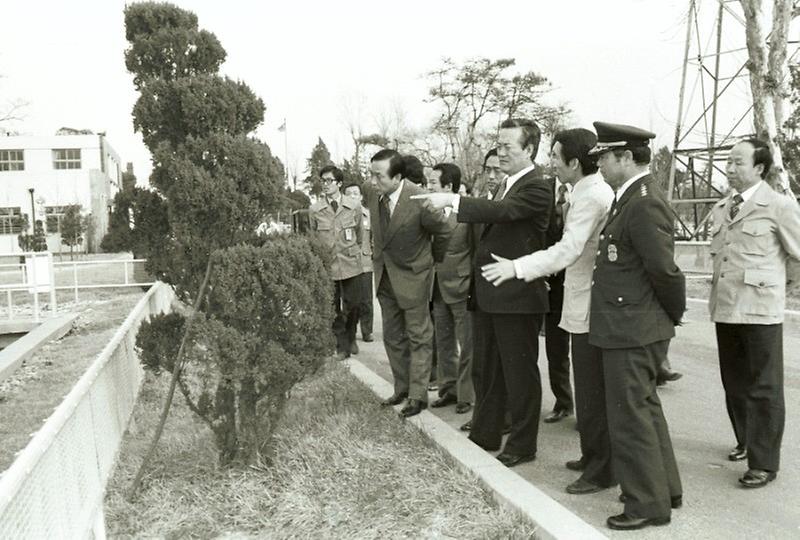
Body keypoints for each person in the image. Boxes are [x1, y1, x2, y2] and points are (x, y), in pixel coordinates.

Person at [481, 128, 616, 494]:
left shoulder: (591, 196)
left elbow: (568, 249)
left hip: (590, 300)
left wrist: (517, 267)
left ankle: (600, 468)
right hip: (578, 297)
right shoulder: (581, 191)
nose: (551, 163)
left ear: (574, 162)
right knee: (586, 388)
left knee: (591, 391)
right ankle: (593, 457)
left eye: (556, 157)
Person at [412, 118, 552, 467]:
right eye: (499, 144)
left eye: (508, 147)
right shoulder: (504, 184)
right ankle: (485, 435)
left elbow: (503, 213)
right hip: (491, 294)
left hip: (518, 297)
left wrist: (453, 200)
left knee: (519, 376)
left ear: (530, 150)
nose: (500, 152)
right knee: (488, 371)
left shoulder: (537, 185)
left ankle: (522, 444)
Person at [588, 121, 685, 531]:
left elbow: (664, 271)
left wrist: (670, 315)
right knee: (644, 409)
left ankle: (645, 504)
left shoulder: (642, 202)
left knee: (630, 416)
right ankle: (665, 489)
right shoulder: (628, 198)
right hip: (631, 323)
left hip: (633, 326)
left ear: (626, 158)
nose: (601, 167)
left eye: (605, 159)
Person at [708, 138, 800, 488]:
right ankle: (746, 440)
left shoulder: (778, 206)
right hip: (727, 307)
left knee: (764, 386)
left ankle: (764, 463)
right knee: (734, 382)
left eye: (737, 163)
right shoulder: (722, 207)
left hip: (761, 310)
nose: (730, 168)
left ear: (759, 168)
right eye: (728, 163)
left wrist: (780, 289)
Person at [369, 149, 453, 418]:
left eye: (378, 176)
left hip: (414, 279)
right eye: (370, 174)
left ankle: (418, 397)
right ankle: (402, 388)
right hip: (384, 278)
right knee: (393, 337)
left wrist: (429, 262)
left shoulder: (419, 198)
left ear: (398, 177)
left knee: (419, 337)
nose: (373, 181)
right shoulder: (373, 193)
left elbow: (444, 231)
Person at [427, 162, 475, 414]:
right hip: (436, 286)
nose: (428, 187)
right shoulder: (429, 211)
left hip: (461, 284)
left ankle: (466, 396)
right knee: (443, 340)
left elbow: (474, 250)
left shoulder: (467, 212)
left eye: (433, 183)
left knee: (466, 342)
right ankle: (449, 389)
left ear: (448, 186)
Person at [309, 166, 363, 360]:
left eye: (329, 180)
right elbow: (313, 237)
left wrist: (352, 250)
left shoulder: (353, 206)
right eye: (323, 180)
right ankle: (342, 346)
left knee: (354, 305)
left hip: (350, 263)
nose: (325, 184)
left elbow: (359, 235)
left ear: (339, 184)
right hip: (328, 265)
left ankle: (351, 336)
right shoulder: (315, 209)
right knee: (333, 307)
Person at [541, 171, 573, 423]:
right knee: (556, 347)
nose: (554, 162)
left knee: (587, 353)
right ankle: (563, 401)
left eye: (557, 156)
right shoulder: (543, 189)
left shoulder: (591, 190)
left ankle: (588, 410)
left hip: (579, 283)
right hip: (549, 284)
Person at [344, 182, 374, 344]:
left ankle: (367, 331)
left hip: (365, 262)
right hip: (347, 262)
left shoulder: (368, 215)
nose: (353, 196)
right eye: (349, 194)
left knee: (367, 300)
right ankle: (350, 332)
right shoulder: (342, 216)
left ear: (361, 197)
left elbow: (375, 238)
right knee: (350, 300)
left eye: (356, 193)